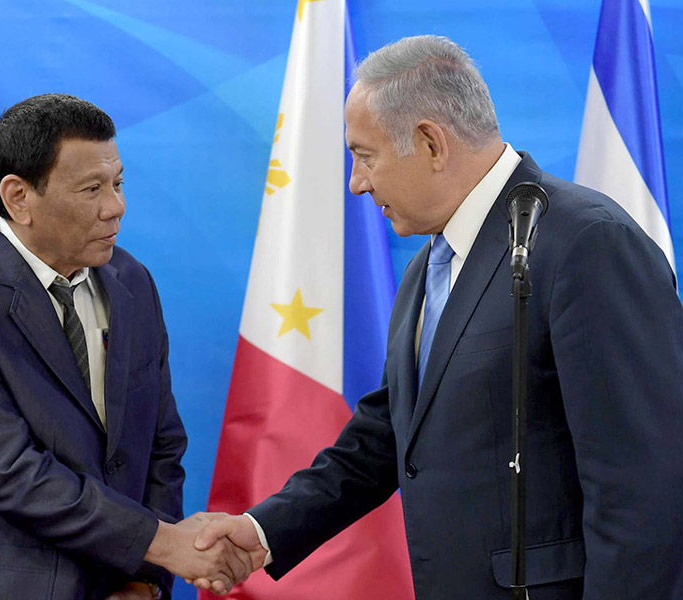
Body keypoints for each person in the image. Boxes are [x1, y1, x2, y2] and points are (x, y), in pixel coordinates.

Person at [192, 35, 683, 599]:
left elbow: (644, 487)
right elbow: (391, 432)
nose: (357, 182)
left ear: (430, 142)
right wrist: (263, 532)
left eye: (364, 154)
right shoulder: (428, 265)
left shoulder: (588, 244)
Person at [0, 94, 250, 600]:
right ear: (19, 197)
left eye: (118, 182)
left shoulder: (132, 280)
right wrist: (164, 544)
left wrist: (146, 581)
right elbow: (11, 472)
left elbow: (160, 446)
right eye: (92, 189)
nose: (117, 206)